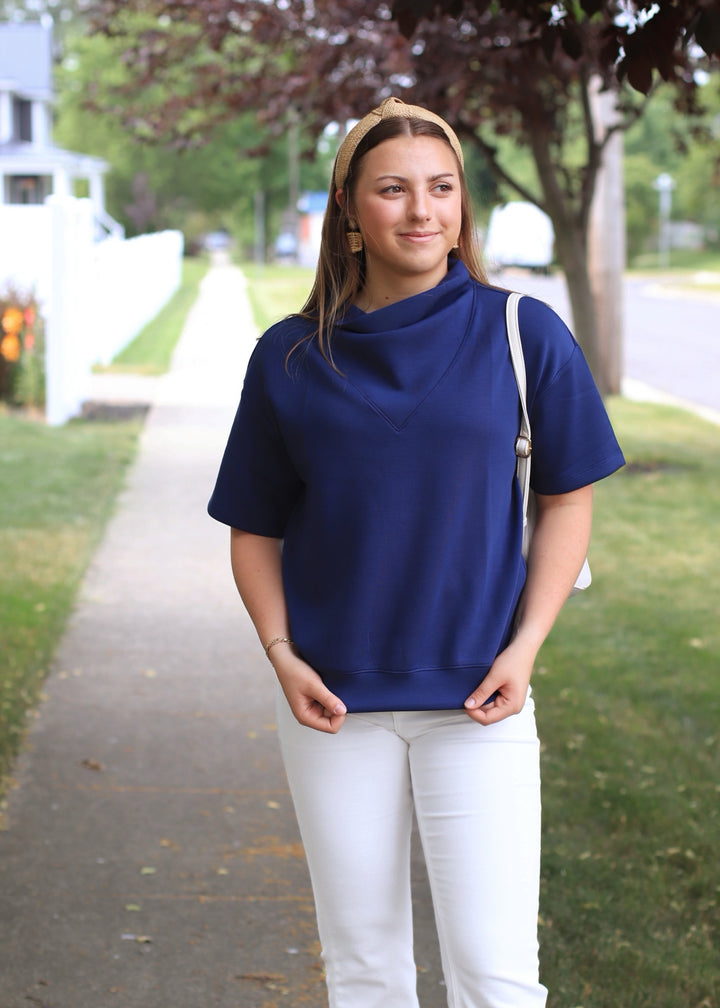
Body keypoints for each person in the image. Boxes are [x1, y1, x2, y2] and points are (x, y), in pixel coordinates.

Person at [208, 96, 625, 1008]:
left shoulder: (522, 334)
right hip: (331, 707)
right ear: (350, 212)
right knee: (363, 973)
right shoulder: (287, 358)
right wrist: (282, 657)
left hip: (479, 702)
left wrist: (524, 650)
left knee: (497, 976)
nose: (422, 209)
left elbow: (567, 500)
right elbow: (253, 529)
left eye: (441, 188)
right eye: (393, 190)